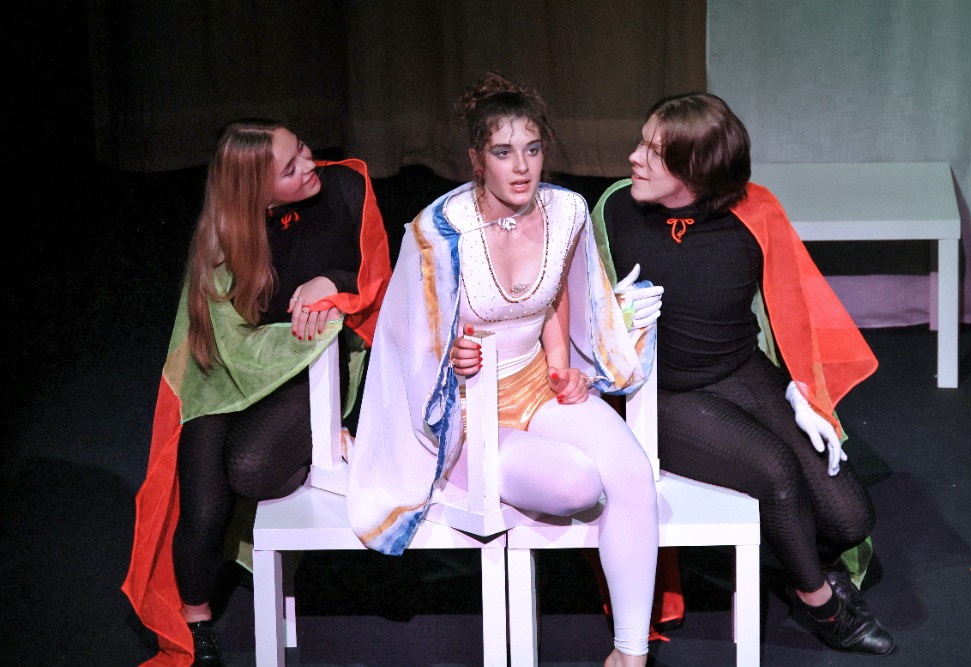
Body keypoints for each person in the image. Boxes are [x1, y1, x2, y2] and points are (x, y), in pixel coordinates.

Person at [346, 73, 660, 666]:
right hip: (468, 413)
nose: (521, 167)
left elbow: (562, 291)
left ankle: (630, 653)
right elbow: (408, 339)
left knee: (631, 473)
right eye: (503, 152)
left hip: (535, 385)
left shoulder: (567, 211)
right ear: (476, 160)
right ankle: (466, 479)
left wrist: (563, 363)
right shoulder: (440, 230)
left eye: (533, 149)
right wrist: (452, 360)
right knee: (578, 485)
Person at [592, 92, 895, 655]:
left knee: (851, 518)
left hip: (742, 371)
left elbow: (794, 307)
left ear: (695, 171)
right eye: (641, 142)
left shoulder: (754, 212)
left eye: (654, 152)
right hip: (666, 393)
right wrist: (612, 319)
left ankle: (796, 554)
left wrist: (802, 391)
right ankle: (819, 603)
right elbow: (575, 310)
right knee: (776, 474)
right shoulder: (614, 210)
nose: (634, 157)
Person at [122, 119, 391, 667]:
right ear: (258, 196)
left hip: (308, 368)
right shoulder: (224, 237)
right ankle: (196, 622)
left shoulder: (346, 187)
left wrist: (333, 282)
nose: (310, 165)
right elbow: (222, 335)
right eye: (290, 169)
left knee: (247, 468)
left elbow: (378, 278)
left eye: (303, 149)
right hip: (231, 370)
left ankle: (319, 443)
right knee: (204, 501)